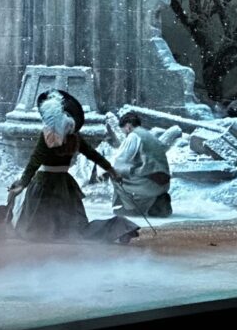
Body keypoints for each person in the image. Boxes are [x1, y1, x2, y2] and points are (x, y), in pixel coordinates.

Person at [8, 89, 139, 244]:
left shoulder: (48, 136)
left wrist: (22, 183)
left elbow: (34, 162)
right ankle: (119, 227)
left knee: (37, 232)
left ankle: (117, 227)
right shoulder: (74, 137)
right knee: (75, 231)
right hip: (64, 186)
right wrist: (111, 170)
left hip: (44, 186)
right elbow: (93, 154)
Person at [112, 111, 173, 218]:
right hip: (164, 184)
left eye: (124, 131)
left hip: (151, 185)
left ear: (128, 126)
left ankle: (130, 208)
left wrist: (102, 171)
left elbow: (120, 160)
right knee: (136, 175)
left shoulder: (133, 136)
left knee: (115, 175)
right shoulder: (148, 135)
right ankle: (155, 203)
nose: (125, 134)